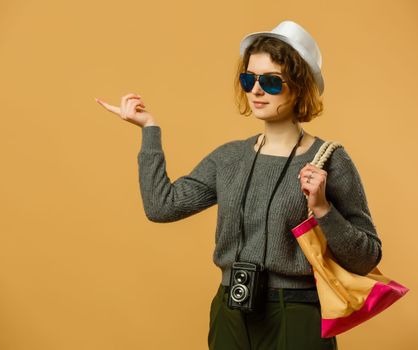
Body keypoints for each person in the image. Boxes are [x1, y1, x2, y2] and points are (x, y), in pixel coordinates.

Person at [96, 20, 381, 350]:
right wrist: (149, 130)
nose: (257, 90)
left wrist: (322, 209)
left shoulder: (329, 159)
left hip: (296, 313)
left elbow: (366, 257)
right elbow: (162, 206)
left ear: (299, 87)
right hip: (230, 310)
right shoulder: (229, 158)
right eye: (249, 79)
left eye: (271, 82)